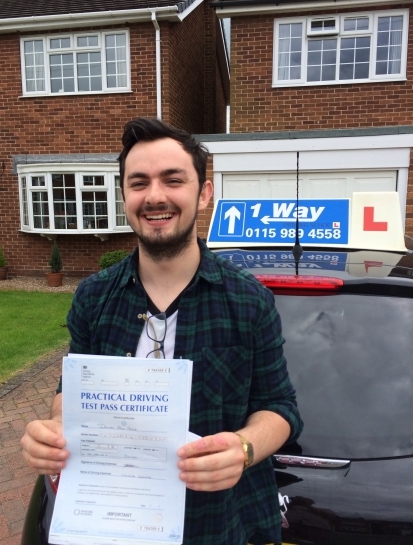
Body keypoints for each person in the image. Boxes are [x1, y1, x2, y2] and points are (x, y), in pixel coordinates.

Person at [21, 117, 303, 545]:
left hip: (219, 525)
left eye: (173, 180)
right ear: (124, 195)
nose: (154, 196)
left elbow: (280, 406)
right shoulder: (93, 298)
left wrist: (245, 448)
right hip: (113, 524)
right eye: (139, 183)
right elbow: (71, 391)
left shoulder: (249, 301)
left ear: (203, 193)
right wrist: (55, 431)